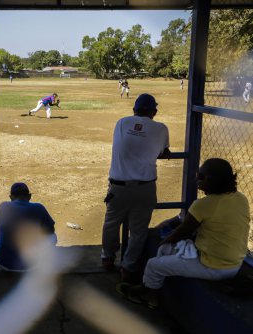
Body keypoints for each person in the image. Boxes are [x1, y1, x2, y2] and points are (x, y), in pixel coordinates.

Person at [120, 158, 250, 309]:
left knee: (154, 264)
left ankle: (150, 295)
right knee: (165, 251)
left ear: (213, 181)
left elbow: (182, 231)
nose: (197, 179)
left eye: (201, 177)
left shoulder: (203, 205)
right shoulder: (241, 198)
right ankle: (153, 286)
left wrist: (166, 239)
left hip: (213, 266)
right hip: (234, 263)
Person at [101, 93, 171, 284]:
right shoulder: (161, 128)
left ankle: (107, 258)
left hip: (118, 186)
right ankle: (128, 268)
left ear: (134, 110)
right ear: (154, 112)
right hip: (145, 188)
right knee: (138, 231)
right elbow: (163, 152)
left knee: (112, 223)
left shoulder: (122, 123)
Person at [0, 182, 57, 272]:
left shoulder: (4, 206)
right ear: (29, 196)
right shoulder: (39, 208)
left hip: (4, 264)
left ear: (11, 197)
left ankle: (3, 259)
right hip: (32, 265)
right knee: (53, 237)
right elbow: (50, 231)